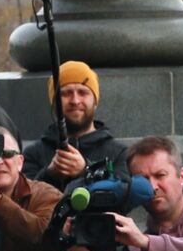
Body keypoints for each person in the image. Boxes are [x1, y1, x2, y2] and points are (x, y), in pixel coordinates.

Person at [22, 60, 127, 188]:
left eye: (83, 92)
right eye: (66, 93)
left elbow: (124, 193)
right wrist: (50, 174)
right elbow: (22, 196)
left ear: (95, 101)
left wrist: (86, 170)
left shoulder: (119, 153)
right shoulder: (32, 154)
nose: (75, 101)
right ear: (54, 102)